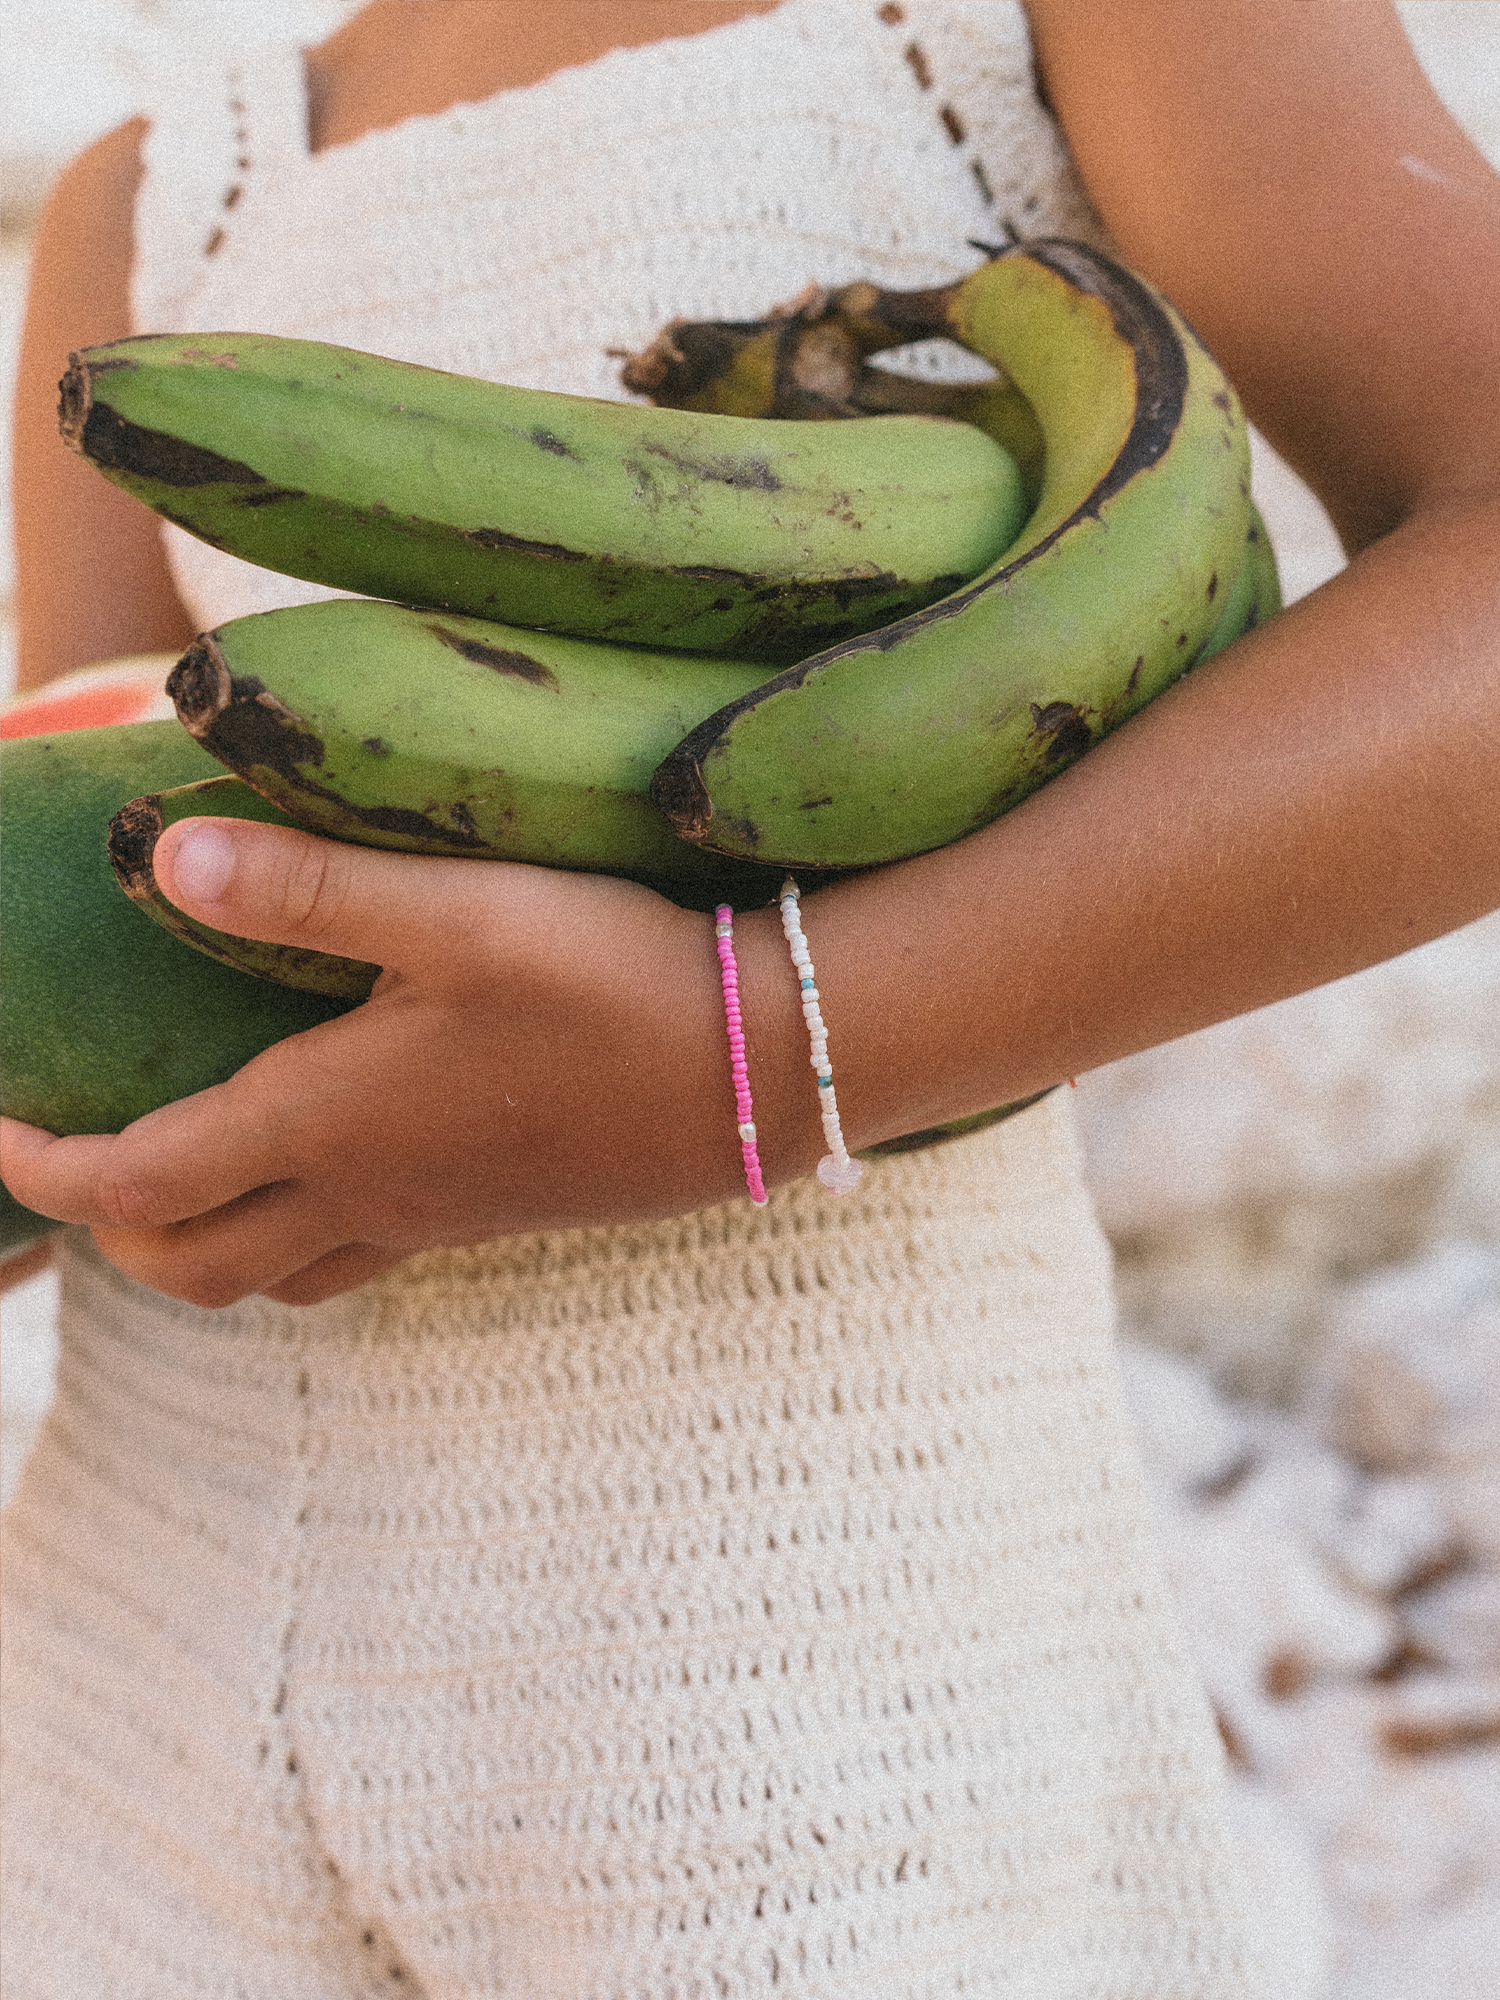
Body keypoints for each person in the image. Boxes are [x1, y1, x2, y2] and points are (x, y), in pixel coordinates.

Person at [2, 1, 1497, 1991]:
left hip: (811, 1694)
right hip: (125, 1697)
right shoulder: (153, 200)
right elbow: (93, 891)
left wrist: (778, 1045)